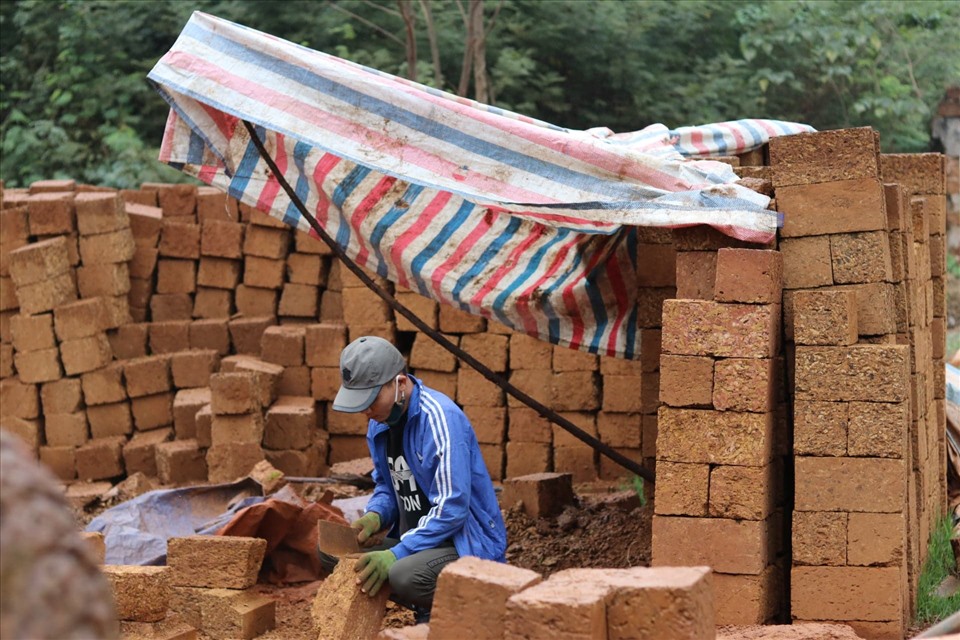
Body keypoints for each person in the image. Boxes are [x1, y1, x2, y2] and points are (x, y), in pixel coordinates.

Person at [319, 335, 507, 620]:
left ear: (400, 384)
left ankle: (465, 614)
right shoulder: (379, 423)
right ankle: (426, 600)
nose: (366, 410)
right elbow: (388, 484)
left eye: (371, 398)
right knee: (332, 552)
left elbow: (452, 509)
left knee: (404, 575)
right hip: (418, 541)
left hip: (462, 544)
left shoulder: (440, 419)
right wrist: (375, 517)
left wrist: (397, 554)